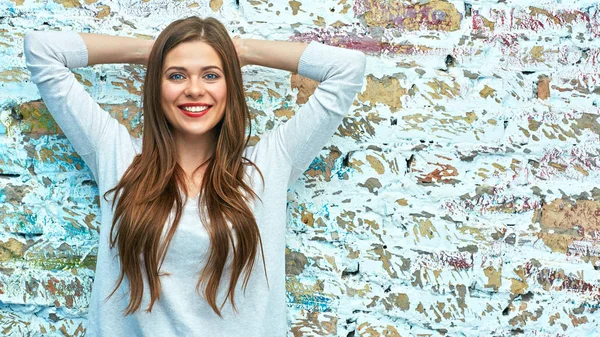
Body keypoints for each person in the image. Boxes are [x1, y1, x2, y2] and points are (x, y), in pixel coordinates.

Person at [24, 16, 365, 336]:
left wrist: (242, 51)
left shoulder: (267, 167)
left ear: (230, 84)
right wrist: (154, 51)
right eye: (176, 75)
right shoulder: (118, 159)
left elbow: (346, 69)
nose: (194, 89)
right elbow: (43, 49)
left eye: (211, 75)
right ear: (157, 86)